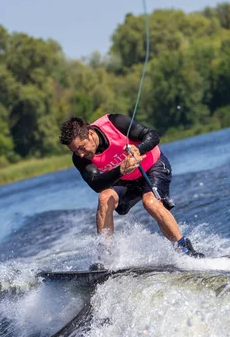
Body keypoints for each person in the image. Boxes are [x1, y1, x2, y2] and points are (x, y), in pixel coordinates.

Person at [59, 114, 204, 266]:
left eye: (82, 147)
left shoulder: (114, 122)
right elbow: (96, 184)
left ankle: (184, 249)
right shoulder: (79, 158)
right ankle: (105, 260)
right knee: (104, 198)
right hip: (126, 180)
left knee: (150, 202)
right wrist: (121, 170)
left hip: (153, 168)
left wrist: (139, 149)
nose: (80, 154)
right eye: (75, 151)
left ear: (90, 134)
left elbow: (153, 136)